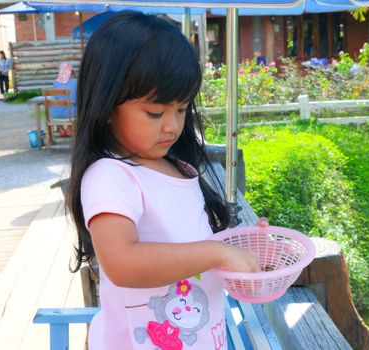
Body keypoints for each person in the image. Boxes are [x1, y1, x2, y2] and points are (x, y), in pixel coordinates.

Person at [66, 12, 259, 350]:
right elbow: (122, 263)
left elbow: (185, 241)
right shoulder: (111, 175)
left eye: (182, 109)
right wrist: (216, 252)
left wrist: (234, 245)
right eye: (155, 113)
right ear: (108, 106)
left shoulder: (176, 167)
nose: (172, 126)